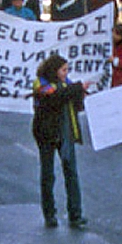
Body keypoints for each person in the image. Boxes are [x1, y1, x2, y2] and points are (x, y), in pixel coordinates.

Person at [32, 55, 88, 230]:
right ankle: (49, 214)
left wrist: (80, 94)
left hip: (65, 133)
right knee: (48, 175)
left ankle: (76, 214)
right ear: (53, 70)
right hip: (47, 134)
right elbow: (54, 98)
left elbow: (77, 106)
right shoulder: (41, 84)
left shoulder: (67, 84)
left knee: (71, 173)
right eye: (63, 70)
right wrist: (77, 87)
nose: (66, 73)